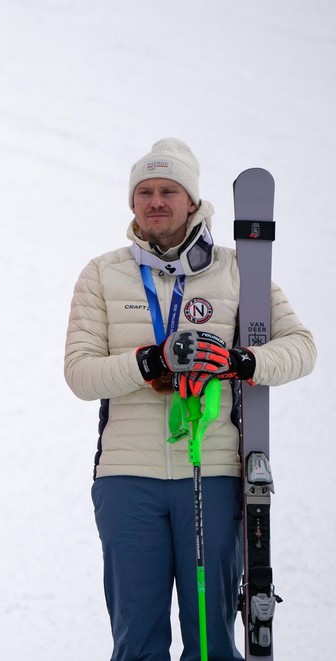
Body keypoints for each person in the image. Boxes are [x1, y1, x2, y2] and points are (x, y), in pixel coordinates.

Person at [64, 138, 316, 660]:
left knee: (211, 637)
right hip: (127, 477)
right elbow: (80, 374)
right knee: (137, 636)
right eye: (146, 191)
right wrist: (149, 361)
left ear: (192, 201)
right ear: (132, 203)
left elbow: (301, 347)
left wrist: (240, 361)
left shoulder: (235, 269)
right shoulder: (103, 273)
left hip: (216, 472)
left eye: (169, 191)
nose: (157, 201)